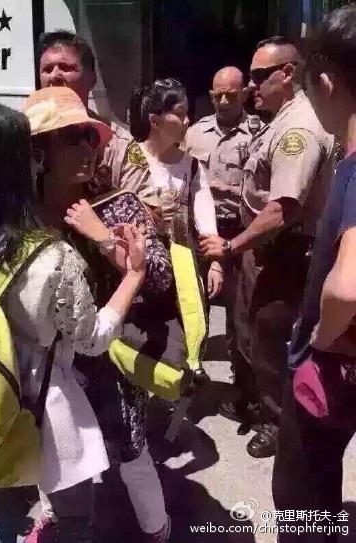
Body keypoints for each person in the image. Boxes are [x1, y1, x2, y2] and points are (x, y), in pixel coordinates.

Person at [0, 99, 146, 543]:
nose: (38, 161)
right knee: (74, 521)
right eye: (29, 154)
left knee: (4, 508)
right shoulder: (50, 256)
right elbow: (91, 340)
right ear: (13, 169)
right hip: (43, 409)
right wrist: (133, 276)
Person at [23, 86, 170, 543]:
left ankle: (158, 529)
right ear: (38, 153)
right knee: (48, 449)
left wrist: (104, 238)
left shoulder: (116, 203)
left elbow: (160, 277)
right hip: (42, 365)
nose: (89, 148)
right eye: (74, 138)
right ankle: (54, 514)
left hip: (104, 355)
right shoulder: (19, 219)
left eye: (91, 137)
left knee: (130, 450)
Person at [200, 36, 335, 458]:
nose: (250, 86)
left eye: (259, 76)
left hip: (287, 252)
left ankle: (278, 423)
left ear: (288, 74)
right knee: (254, 334)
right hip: (269, 249)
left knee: (272, 340)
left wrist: (231, 246)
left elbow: (282, 209)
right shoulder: (280, 119)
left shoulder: (297, 129)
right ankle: (263, 404)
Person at [272, 7, 356, 541]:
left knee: (300, 500)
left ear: (326, 82)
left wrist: (317, 343)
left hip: (332, 370)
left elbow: (348, 287)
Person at [185, 67, 262, 427]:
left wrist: (228, 190)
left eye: (231, 94)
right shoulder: (195, 133)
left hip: (238, 232)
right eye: (218, 95)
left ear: (244, 94)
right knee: (191, 305)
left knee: (239, 314)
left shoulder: (259, 134)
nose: (224, 101)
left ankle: (243, 387)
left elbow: (264, 189)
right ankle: (190, 375)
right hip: (200, 232)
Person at [37, 29, 157, 206]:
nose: (55, 76)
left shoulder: (118, 146)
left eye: (66, 68)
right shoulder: (24, 138)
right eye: (47, 69)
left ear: (92, 78)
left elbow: (149, 211)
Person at [130, 78, 222, 295]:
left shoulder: (191, 166)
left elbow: (205, 218)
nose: (187, 121)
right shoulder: (130, 159)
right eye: (179, 114)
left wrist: (215, 262)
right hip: (139, 269)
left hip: (182, 269)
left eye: (187, 113)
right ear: (155, 121)